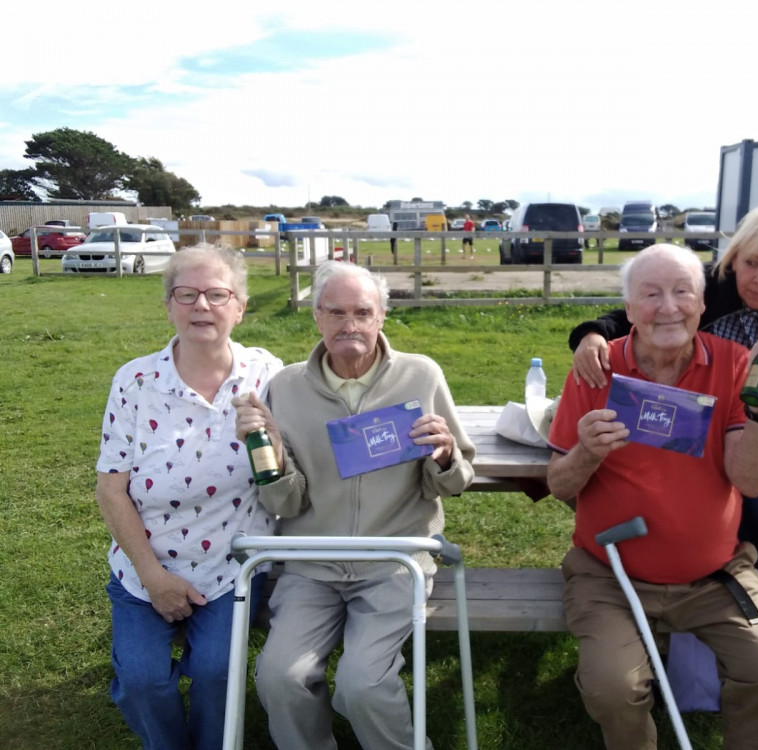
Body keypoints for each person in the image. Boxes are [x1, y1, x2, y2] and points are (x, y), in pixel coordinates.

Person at [568, 201, 758, 727]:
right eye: (752, 262)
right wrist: (590, 335)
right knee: (737, 537)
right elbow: (634, 315)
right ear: (733, 258)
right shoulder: (703, 291)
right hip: (702, 439)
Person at [234, 260, 476, 749]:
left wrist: (446, 453)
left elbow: (452, 481)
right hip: (311, 562)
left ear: (382, 316)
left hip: (394, 561)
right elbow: (285, 501)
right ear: (316, 318)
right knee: (280, 676)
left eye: (362, 312)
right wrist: (276, 459)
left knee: (363, 684)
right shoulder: (286, 386)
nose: (350, 325)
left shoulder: (420, 375)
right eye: (336, 312)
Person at [95, 245, 283, 749]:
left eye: (217, 294)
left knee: (217, 671)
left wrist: (272, 437)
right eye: (187, 293)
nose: (202, 305)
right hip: (146, 565)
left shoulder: (267, 373)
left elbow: (288, 478)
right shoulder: (135, 380)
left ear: (239, 306)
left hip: (233, 565)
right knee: (142, 680)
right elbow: (111, 487)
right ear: (169, 305)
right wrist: (154, 578)